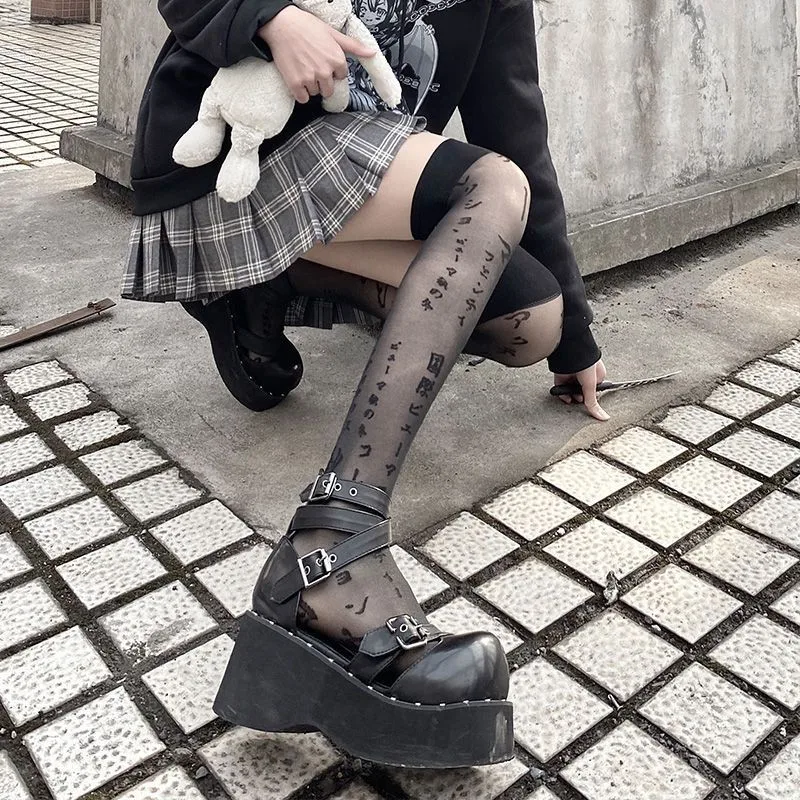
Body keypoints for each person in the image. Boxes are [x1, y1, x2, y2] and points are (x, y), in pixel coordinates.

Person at [125, 0, 608, 768]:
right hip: (226, 152)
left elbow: (518, 129)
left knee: (532, 321)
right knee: (493, 183)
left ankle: (264, 286)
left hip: (350, 174)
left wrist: (578, 340)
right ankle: (330, 541)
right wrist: (270, 18)